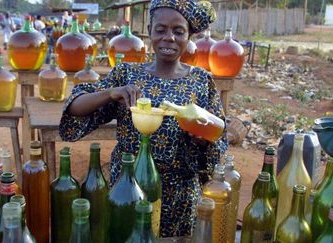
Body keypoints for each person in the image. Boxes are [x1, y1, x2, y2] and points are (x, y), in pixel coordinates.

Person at [59, 0, 226, 237]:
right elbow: (75, 107)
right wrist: (110, 93)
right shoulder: (127, 74)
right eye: (161, 30)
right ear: (149, 31)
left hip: (179, 194)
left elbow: (219, 136)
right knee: (124, 236)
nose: (169, 37)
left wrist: (202, 140)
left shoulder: (200, 81)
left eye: (179, 31)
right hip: (128, 188)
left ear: (189, 36)